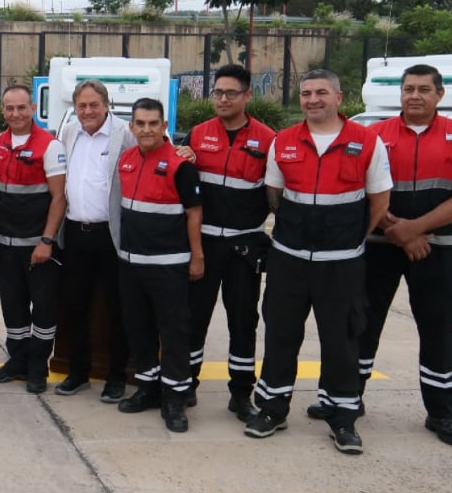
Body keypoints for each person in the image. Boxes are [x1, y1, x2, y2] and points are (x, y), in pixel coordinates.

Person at [306, 64, 452, 447]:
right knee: (360, 324)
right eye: (408, 89)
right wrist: (395, 231)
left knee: (438, 327)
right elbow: (358, 187)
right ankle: (347, 399)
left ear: (440, 94)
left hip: (437, 251)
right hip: (379, 247)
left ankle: (441, 413)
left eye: (423, 89)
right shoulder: (374, 135)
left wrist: (414, 230)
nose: (414, 95)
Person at [246, 69, 392, 456]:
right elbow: (274, 194)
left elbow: (379, 200)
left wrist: (353, 238)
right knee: (280, 333)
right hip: (289, 260)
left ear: (339, 98)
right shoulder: (284, 141)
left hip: (341, 263)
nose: (313, 99)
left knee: (342, 338)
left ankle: (341, 417)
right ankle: (272, 409)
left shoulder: (367, 142)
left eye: (321, 92)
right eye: (307, 93)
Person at [176, 64, 276, 422]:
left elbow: (276, 195)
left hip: (244, 249)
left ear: (247, 96)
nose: (222, 99)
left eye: (230, 93)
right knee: (193, 319)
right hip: (203, 246)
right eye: (218, 92)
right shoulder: (197, 135)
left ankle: (241, 394)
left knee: (243, 322)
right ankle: (186, 387)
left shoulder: (268, 140)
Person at [111, 98, 203, 433]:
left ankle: (176, 397)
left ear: (164, 126)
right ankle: (148, 387)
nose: (146, 129)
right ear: (132, 127)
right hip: (131, 264)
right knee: (139, 328)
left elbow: (194, 213)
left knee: (174, 332)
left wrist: (197, 256)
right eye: (140, 123)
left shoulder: (181, 164)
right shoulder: (126, 159)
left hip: (169, 265)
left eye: (153, 123)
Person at [54, 79, 136, 401]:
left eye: (94, 105)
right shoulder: (70, 132)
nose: (88, 111)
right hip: (75, 232)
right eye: (82, 105)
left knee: (118, 309)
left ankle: (116, 376)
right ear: (75, 108)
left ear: (107, 105)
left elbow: (155, 148)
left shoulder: (124, 135)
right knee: (74, 306)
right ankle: (78, 372)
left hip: (111, 234)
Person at [0, 85, 65, 394]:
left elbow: (59, 199)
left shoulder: (50, 145)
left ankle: (37, 368)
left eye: (21, 107)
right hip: (6, 243)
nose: (15, 114)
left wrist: (47, 240)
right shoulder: (1, 142)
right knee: (13, 306)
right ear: (3, 110)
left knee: (43, 308)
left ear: (32, 107)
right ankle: (17, 361)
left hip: (38, 245)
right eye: (9, 108)